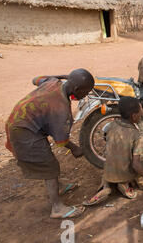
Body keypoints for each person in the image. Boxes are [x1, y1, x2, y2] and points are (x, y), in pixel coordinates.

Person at [5, 69, 95, 219]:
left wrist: (63, 78)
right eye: (85, 92)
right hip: (23, 131)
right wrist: (75, 149)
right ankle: (57, 208)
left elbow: (36, 78)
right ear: (77, 89)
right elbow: (61, 141)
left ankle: (57, 188)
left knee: (48, 158)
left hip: (19, 121)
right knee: (49, 167)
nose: (85, 96)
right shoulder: (60, 108)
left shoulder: (53, 82)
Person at [83, 97, 143, 206]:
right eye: (140, 111)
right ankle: (124, 184)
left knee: (117, 158)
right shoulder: (137, 136)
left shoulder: (112, 125)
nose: (142, 113)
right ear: (134, 116)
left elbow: (109, 141)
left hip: (108, 171)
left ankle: (107, 185)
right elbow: (136, 165)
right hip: (124, 173)